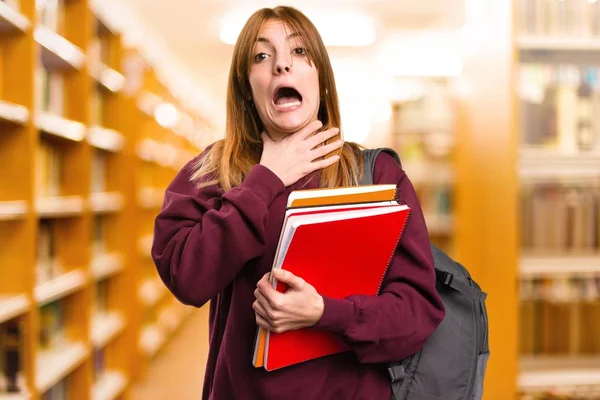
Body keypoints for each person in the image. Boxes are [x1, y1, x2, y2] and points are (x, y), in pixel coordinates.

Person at [151, 5, 445, 400]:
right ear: (246, 87)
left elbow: (417, 312)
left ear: (320, 78)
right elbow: (187, 277)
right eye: (262, 56)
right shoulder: (212, 172)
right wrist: (265, 178)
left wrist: (326, 313)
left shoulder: (377, 174)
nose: (282, 66)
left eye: (299, 52)